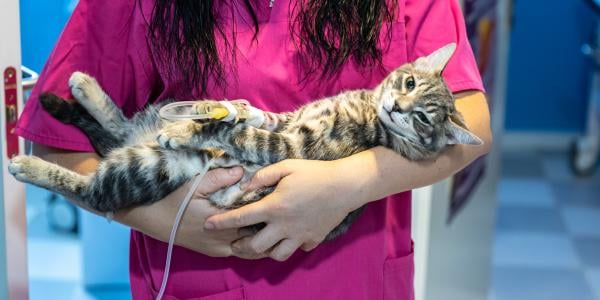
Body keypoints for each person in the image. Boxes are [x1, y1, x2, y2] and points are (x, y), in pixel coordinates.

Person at [17, 0, 492, 299]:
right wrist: (166, 219)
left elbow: (472, 123)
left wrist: (350, 183)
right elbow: (55, 142)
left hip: (360, 278)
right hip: (206, 273)